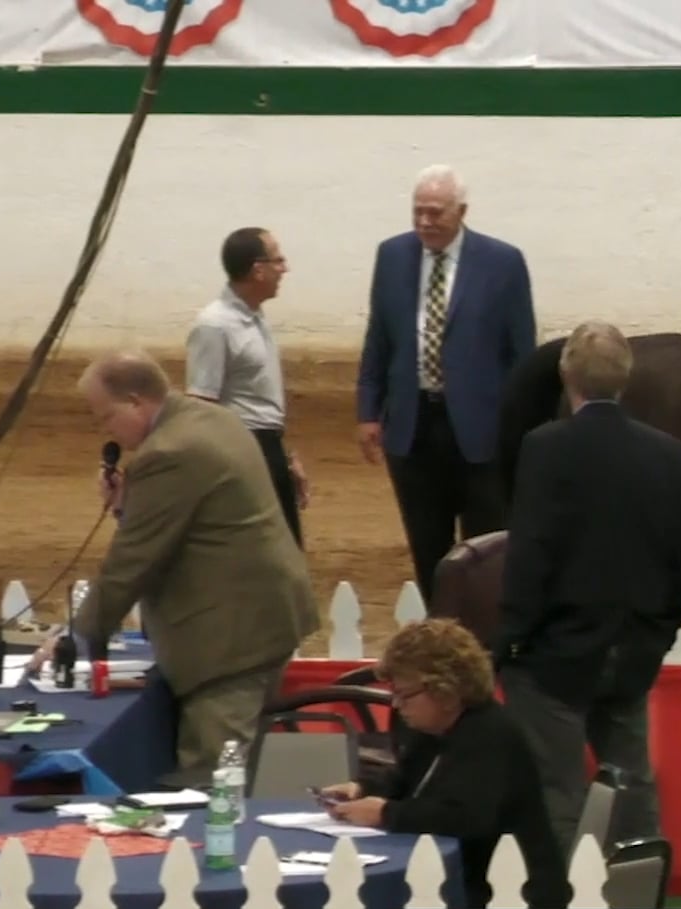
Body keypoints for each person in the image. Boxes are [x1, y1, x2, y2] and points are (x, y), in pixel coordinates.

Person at [494, 320, 681, 852]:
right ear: (626, 379)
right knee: (632, 787)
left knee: (557, 791)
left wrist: (512, 640)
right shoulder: (669, 455)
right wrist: (657, 632)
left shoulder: (545, 448)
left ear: (566, 374)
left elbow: (532, 552)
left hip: (558, 656)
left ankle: (561, 907)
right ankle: (641, 897)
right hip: (631, 650)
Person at [68, 351, 320, 787]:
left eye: (105, 418)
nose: (104, 431)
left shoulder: (168, 452)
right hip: (264, 621)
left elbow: (133, 561)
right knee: (237, 766)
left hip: (229, 643)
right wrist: (130, 502)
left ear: (134, 402)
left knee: (210, 783)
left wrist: (77, 636)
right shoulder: (212, 419)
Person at [355, 164, 537, 603]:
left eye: (435, 212)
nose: (424, 222)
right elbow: (379, 336)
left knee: (486, 548)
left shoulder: (503, 263)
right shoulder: (393, 256)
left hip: (482, 432)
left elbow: (522, 352)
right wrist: (367, 410)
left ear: (461, 211)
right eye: (418, 212)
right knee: (428, 547)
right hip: (412, 427)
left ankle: (485, 638)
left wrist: (519, 427)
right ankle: (441, 636)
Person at [321, 618, 569, 909]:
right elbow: (405, 780)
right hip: (460, 879)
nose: (397, 705)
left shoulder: (490, 735)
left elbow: (465, 817)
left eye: (405, 694)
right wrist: (362, 789)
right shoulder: (434, 729)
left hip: (505, 897)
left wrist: (386, 814)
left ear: (445, 690)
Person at [184, 226, 308, 548]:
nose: (285, 269)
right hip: (241, 452)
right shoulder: (214, 325)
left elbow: (259, 397)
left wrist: (283, 457)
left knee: (285, 549)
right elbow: (201, 405)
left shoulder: (254, 317)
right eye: (278, 260)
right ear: (258, 269)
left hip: (267, 446)